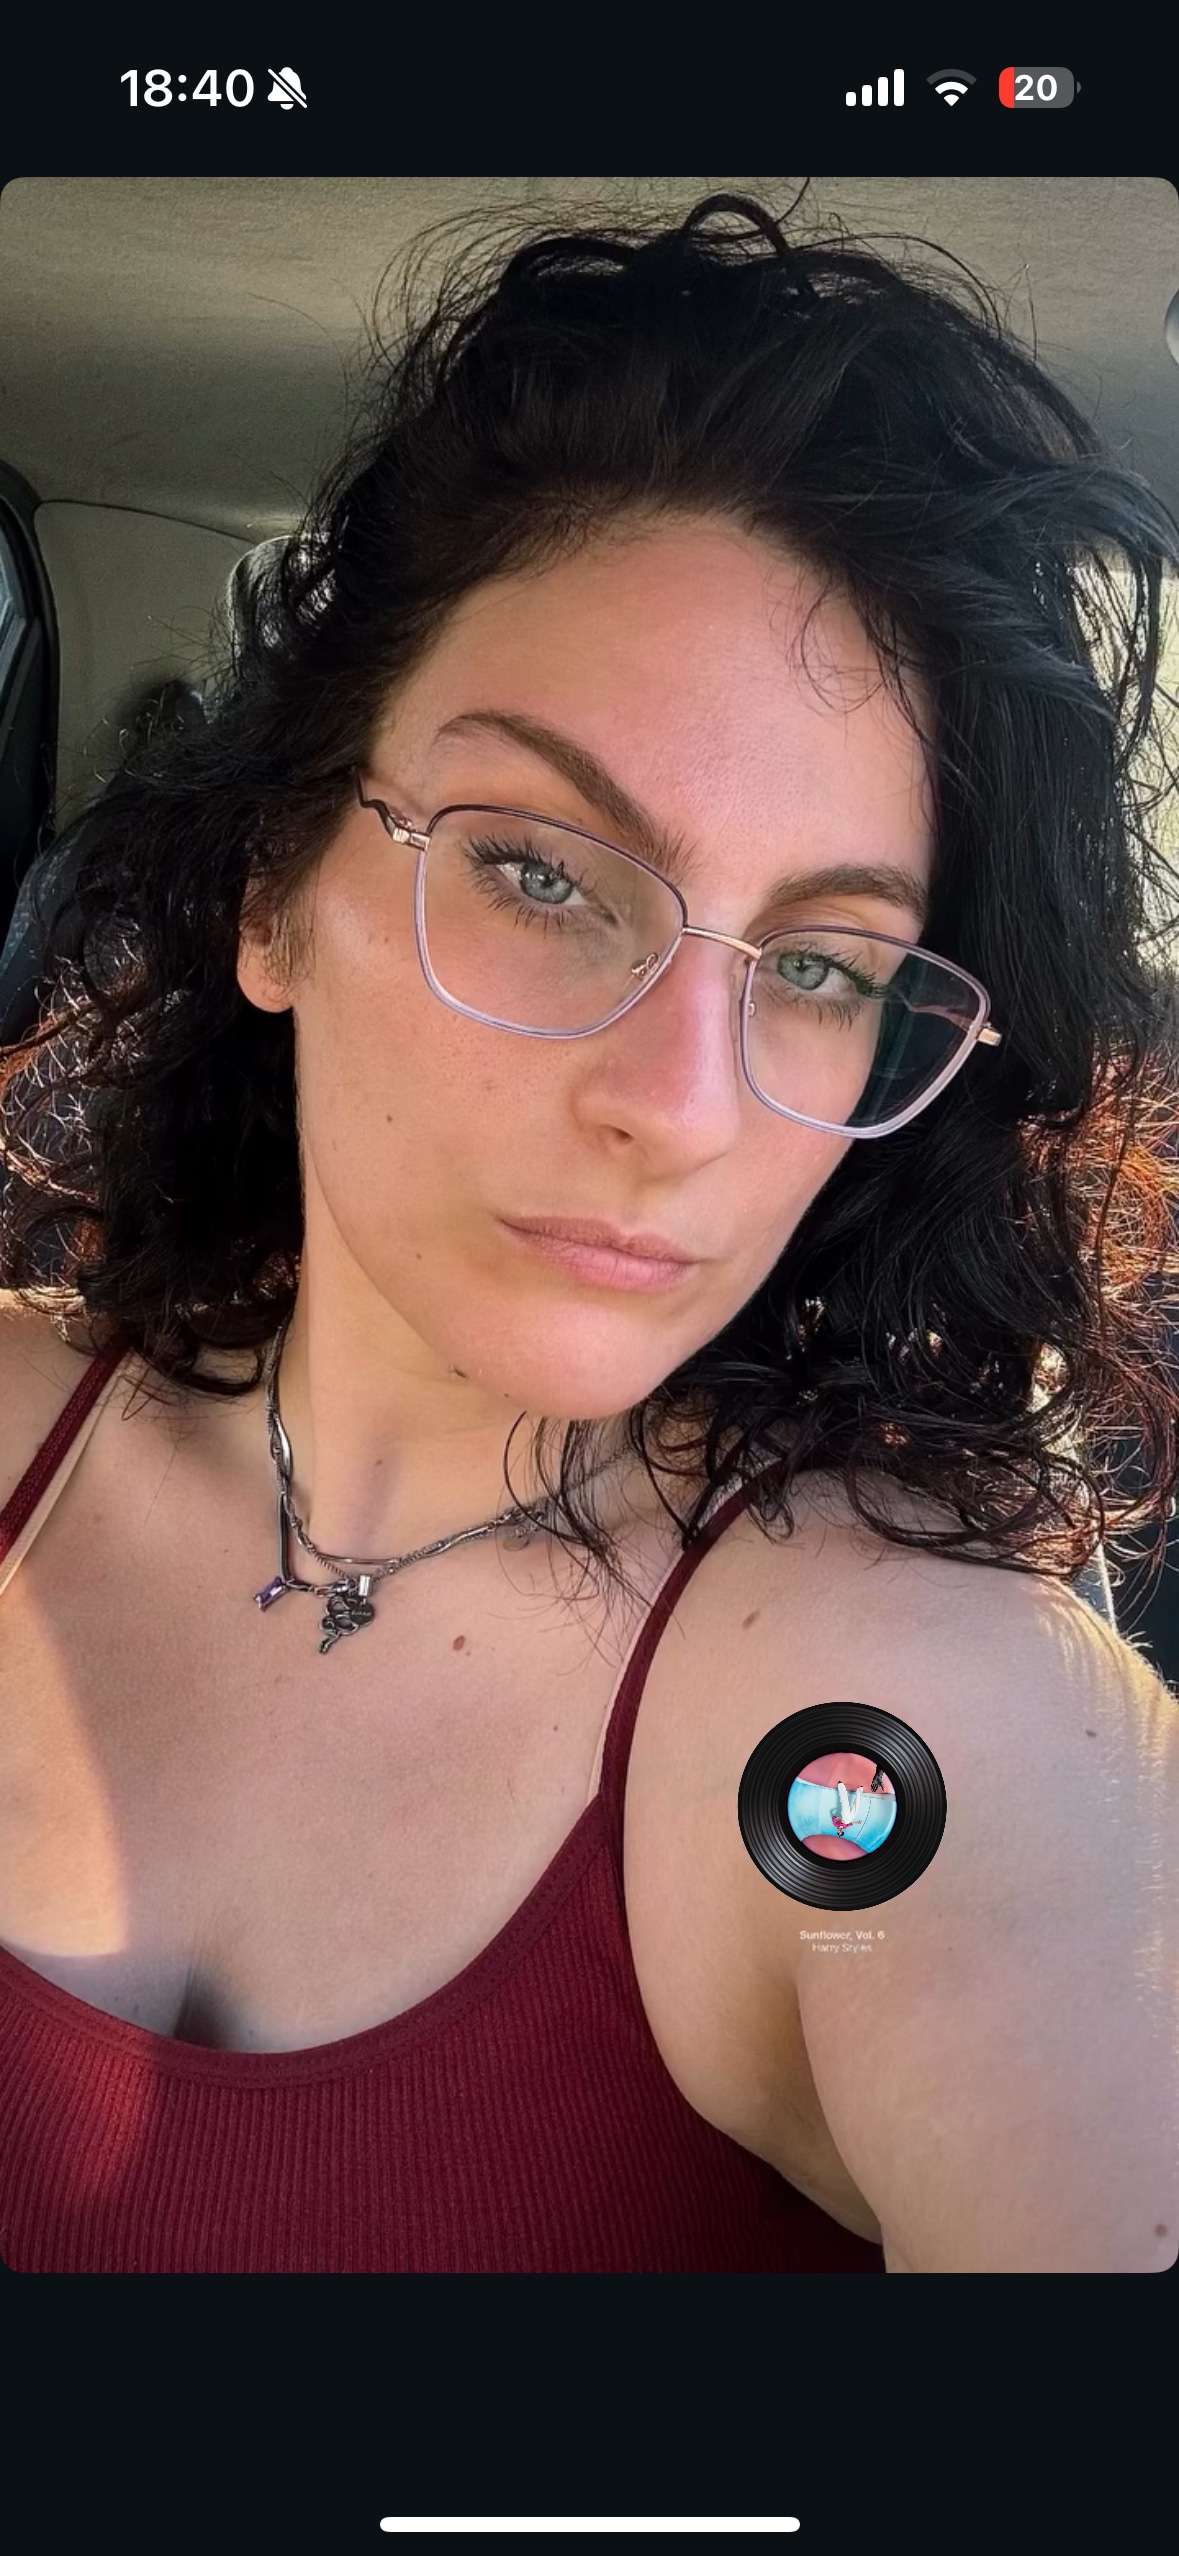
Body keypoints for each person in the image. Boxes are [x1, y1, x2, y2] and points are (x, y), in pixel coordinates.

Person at [1, 191, 1176, 2275]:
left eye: (820, 966)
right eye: (543, 874)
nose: (680, 1107)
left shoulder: (916, 1692)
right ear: (273, 893)